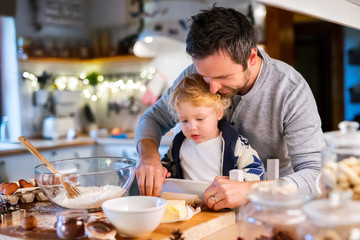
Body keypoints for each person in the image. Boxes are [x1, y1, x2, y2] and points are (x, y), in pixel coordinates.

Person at [135, 6, 326, 211]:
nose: (212, 87)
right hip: (209, 210)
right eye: (205, 76)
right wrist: (149, 157)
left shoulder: (290, 89)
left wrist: (252, 190)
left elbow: (316, 174)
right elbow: (153, 118)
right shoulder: (194, 75)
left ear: (251, 58)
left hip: (273, 210)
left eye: (222, 77)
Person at [161, 73, 265, 183]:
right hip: (187, 199)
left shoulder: (235, 144)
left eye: (200, 119)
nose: (192, 127)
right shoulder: (178, 143)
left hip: (222, 199)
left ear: (218, 113)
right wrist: (163, 170)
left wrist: (240, 184)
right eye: (184, 120)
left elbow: (257, 170)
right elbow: (167, 164)